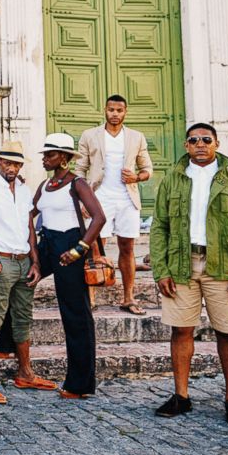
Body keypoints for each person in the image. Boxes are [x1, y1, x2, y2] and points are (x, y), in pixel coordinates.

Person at [150, 123, 228, 427]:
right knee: (181, 330)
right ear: (186, 145)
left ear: (216, 143)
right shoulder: (172, 181)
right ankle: (181, 396)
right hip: (181, 266)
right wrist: (161, 269)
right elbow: (159, 226)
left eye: (206, 140)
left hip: (223, 267)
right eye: (193, 140)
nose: (200, 144)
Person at [0, 141, 57, 404]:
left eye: (17, 163)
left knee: (23, 317)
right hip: (1, 261)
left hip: (24, 262)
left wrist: (35, 261)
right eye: (7, 162)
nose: (12, 167)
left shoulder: (24, 190)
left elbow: (29, 228)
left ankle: (25, 373)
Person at [33, 132, 108, 399]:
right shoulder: (44, 185)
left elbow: (99, 217)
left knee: (74, 313)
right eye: (44, 154)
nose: (45, 158)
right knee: (18, 280)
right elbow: (31, 212)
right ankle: (6, 345)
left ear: (63, 158)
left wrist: (80, 249)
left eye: (50, 154)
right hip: (47, 243)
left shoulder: (78, 184)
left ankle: (80, 383)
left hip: (70, 245)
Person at [75, 95, 153, 315]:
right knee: (94, 248)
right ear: (105, 110)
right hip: (99, 198)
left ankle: (128, 297)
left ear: (125, 112)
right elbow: (80, 170)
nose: (115, 114)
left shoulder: (136, 137)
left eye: (119, 110)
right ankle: (89, 299)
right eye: (111, 110)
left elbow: (147, 168)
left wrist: (136, 177)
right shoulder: (90, 135)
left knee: (127, 247)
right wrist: (83, 198)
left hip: (127, 199)